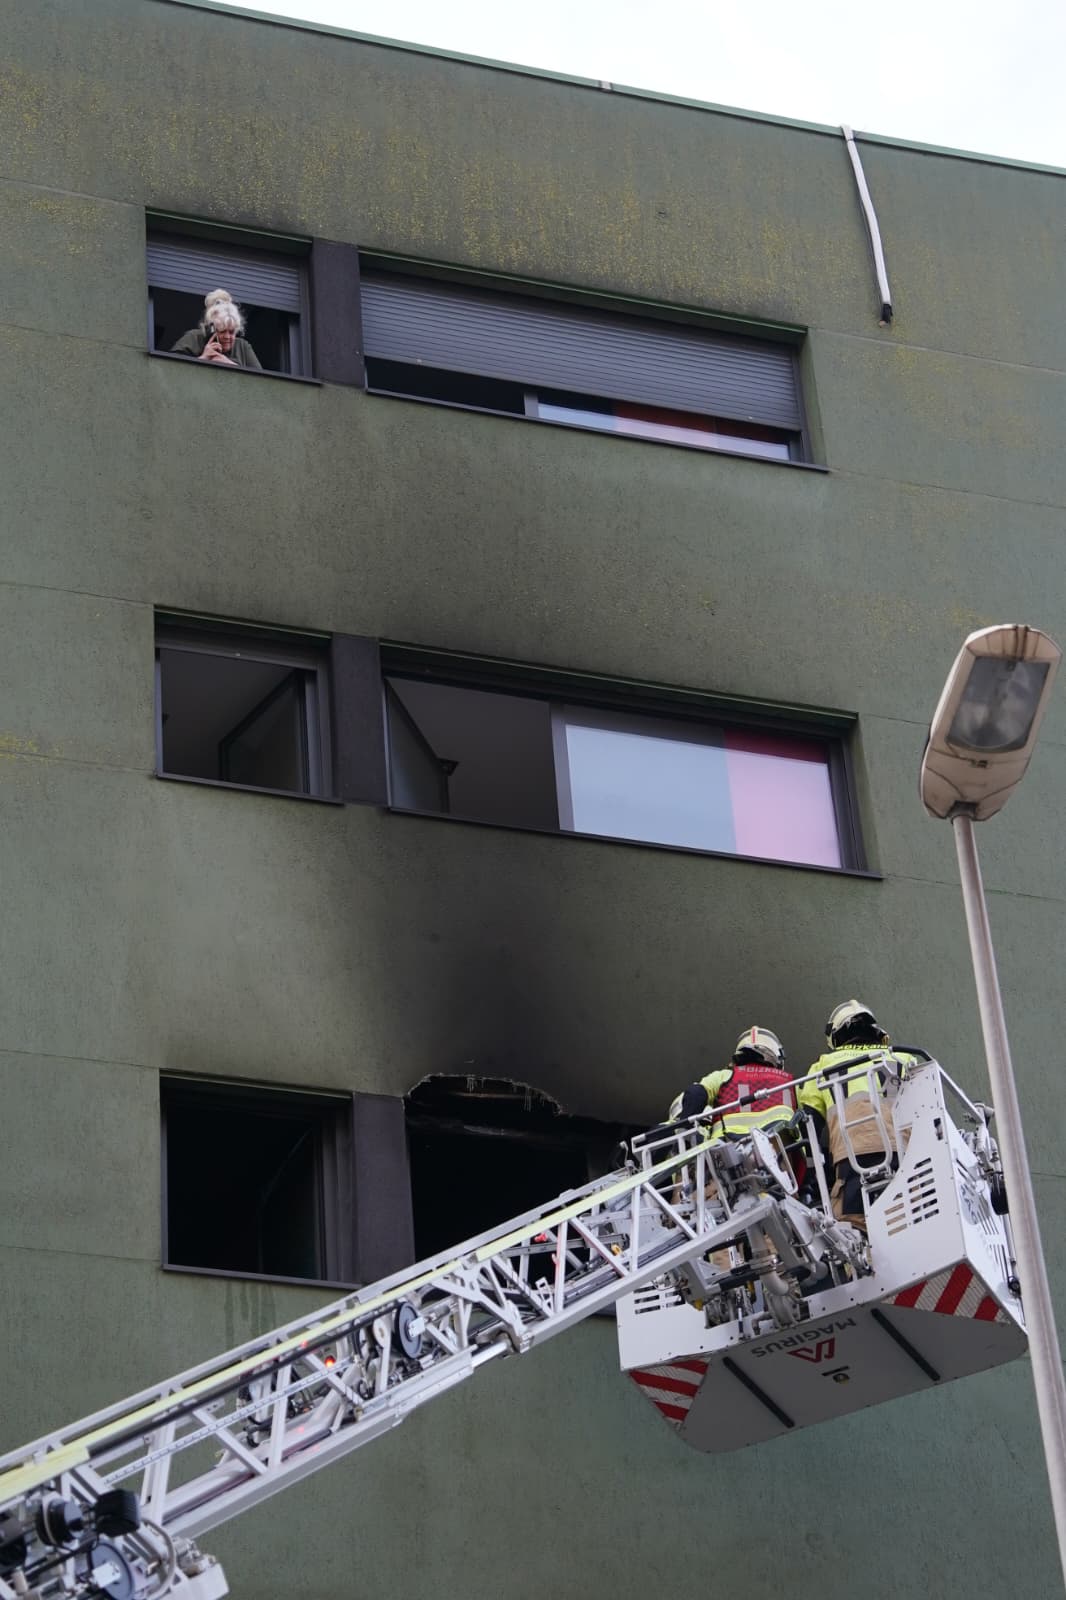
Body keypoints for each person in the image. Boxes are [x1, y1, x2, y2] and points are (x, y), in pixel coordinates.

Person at [799, 999, 917, 1229]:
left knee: (854, 1231)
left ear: (836, 1037)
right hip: (905, 1158)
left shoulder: (822, 1066)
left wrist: (812, 1181)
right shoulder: (903, 1058)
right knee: (908, 1223)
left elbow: (809, 1128)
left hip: (851, 1165)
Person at [669, 1026, 796, 1141]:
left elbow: (696, 1093)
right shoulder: (789, 1082)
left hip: (729, 1148)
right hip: (782, 1146)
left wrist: (685, 1134)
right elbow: (805, 1111)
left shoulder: (724, 1075)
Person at [171, 288, 262, 369]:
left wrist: (229, 364)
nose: (227, 336)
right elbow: (171, 368)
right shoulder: (193, 337)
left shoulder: (243, 346)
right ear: (211, 329)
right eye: (222, 331)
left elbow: (260, 379)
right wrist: (203, 359)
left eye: (231, 332)